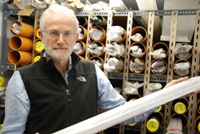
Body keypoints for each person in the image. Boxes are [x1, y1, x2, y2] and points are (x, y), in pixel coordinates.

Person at [0, 4, 197, 134]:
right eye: (53, 33)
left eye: (67, 33)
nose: (60, 40)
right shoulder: (23, 79)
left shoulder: (91, 71)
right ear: (41, 36)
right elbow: (12, 132)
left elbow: (125, 113)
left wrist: (165, 95)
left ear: (77, 37)